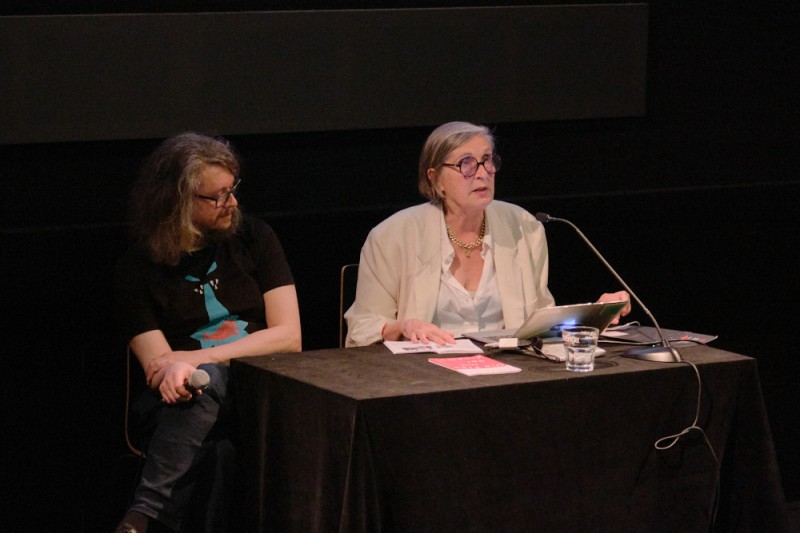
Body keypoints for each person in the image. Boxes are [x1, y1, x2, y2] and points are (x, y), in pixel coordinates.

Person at [113, 133, 302, 532]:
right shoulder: (136, 269)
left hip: (263, 386)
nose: (231, 203)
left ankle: (143, 516)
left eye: (232, 190)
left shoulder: (255, 238)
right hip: (181, 400)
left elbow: (289, 338)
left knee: (208, 378)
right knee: (217, 451)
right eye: (217, 196)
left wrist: (198, 359)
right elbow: (159, 366)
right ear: (178, 202)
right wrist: (184, 371)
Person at [344, 121, 629, 347]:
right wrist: (400, 327)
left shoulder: (524, 227)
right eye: (466, 164)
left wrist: (594, 315)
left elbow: (540, 325)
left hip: (507, 375)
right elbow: (362, 326)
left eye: (487, 160)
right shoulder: (392, 236)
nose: (482, 173)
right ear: (435, 178)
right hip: (423, 377)